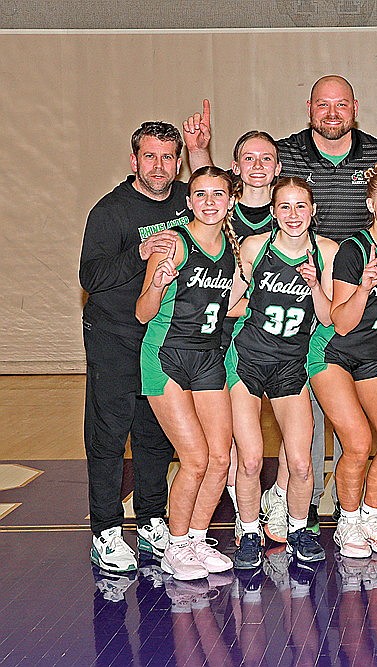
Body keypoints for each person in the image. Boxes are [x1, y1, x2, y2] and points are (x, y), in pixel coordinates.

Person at [185, 76, 377, 524]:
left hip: (305, 339)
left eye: (342, 104)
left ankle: (294, 507)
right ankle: (244, 525)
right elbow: (209, 191)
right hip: (242, 344)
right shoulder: (250, 237)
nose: (333, 112)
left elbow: (331, 312)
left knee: (300, 451)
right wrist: (198, 152)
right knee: (239, 454)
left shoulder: (329, 251)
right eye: (323, 104)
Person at [81, 121, 189, 573]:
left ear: (178, 161)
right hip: (114, 336)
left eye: (167, 157)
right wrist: (140, 252)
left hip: (160, 337)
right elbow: (91, 277)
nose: (159, 166)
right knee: (109, 435)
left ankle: (150, 519)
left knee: (154, 435)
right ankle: (106, 530)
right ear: (134, 161)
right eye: (150, 156)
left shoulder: (186, 199)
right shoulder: (110, 212)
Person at [136, 165, 240, 580]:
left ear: (231, 201)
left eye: (218, 194)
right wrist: (158, 284)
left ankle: (197, 538)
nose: (210, 201)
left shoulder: (232, 250)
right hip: (166, 356)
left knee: (220, 457)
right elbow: (143, 313)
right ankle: (175, 545)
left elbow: (230, 307)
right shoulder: (173, 245)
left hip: (207, 357)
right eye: (201, 194)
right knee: (195, 459)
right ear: (189, 201)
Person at [227, 177, 337, 568]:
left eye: (301, 206)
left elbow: (329, 318)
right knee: (252, 459)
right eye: (285, 207)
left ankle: (298, 529)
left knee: (302, 462)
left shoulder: (326, 252)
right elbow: (230, 303)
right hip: (248, 361)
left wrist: (315, 286)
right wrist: (254, 309)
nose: (293, 215)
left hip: (292, 364)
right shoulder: (254, 248)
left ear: (313, 211)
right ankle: (249, 533)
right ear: (273, 212)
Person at [309, 163, 377, 559]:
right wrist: (366, 287)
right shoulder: (354, 250)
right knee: (357, 443)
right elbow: (340, 322)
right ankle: (348, 522)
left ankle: (372, 516)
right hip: (333, 354)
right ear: (371, 204)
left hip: (376, 355)